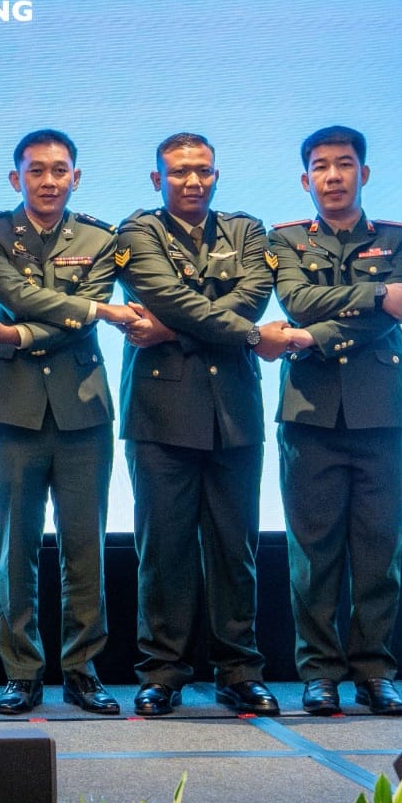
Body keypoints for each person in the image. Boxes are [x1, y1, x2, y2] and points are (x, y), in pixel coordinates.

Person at [115, 132, 310, 718]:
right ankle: (163, 673)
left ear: (217, 174)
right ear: (158, 180)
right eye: (178, 173)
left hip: (234, 411)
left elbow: (251, 297)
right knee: (164, 549)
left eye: (202, 171)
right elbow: (165, 296)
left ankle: (239, 671)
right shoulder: (136, 232)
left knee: (235, 548)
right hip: (160, 412)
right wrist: (245, 335)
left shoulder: (248, 232)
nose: (192, 181)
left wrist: (174, 328)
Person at [0, 130, 140, 716]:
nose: (47, 181)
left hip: (81, 404)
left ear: (75, 178)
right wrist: (93, 309)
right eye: (35, 171)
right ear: (16, 178)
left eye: (58, 171)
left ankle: (82, 669)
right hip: (13, 404)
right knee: (15, 545)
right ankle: (21, 671)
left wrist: (19, 333)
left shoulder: (101, 237)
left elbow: (68, 323)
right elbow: (15, 295)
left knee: (84, 545)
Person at [269, 126, 402, 717]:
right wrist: (374, 293)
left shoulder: (398, 237)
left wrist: (310, 336)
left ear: (364, 173)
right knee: (314, 553)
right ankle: (320, 673)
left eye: (345, 164)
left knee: (379, 551)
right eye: (322, 167)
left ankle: (375, 672)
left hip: (382, 415)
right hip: (309, 416)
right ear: (307, 179)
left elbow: (393, 316)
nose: (334, 176)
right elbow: (297, 302)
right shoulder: (283, 240)